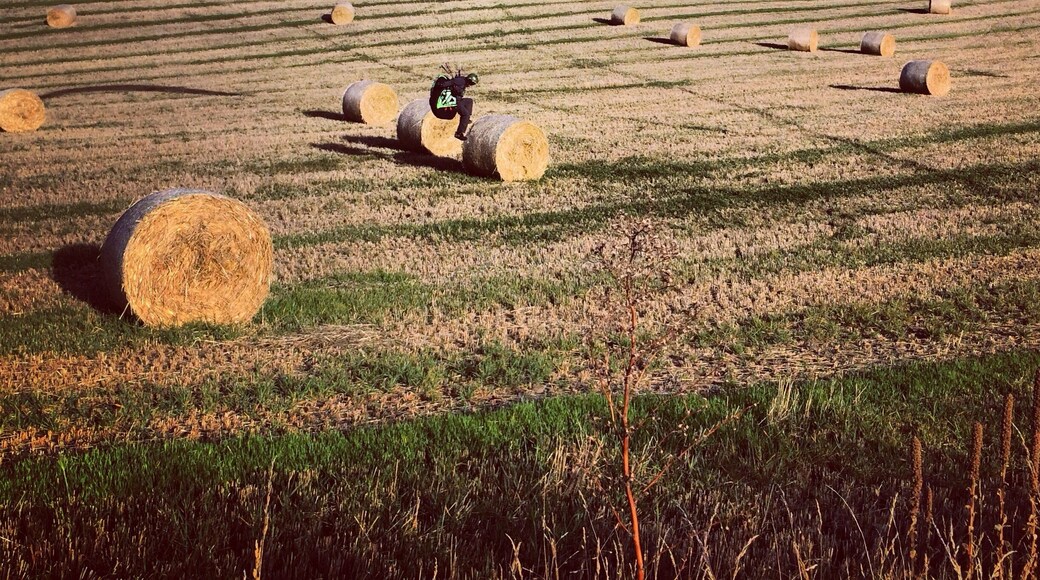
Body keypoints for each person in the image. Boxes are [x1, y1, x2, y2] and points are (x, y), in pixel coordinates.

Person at [429, 63, 479, 141]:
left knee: (469, 101)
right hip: (453, 102)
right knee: (465, 114)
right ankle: (459, 133)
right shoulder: (460, 81)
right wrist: (450, 88)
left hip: (457, 100)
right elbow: (445, 84)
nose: (471, 85)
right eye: (472, 83)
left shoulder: (463, 81)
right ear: (469, 80)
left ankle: (466, 119)